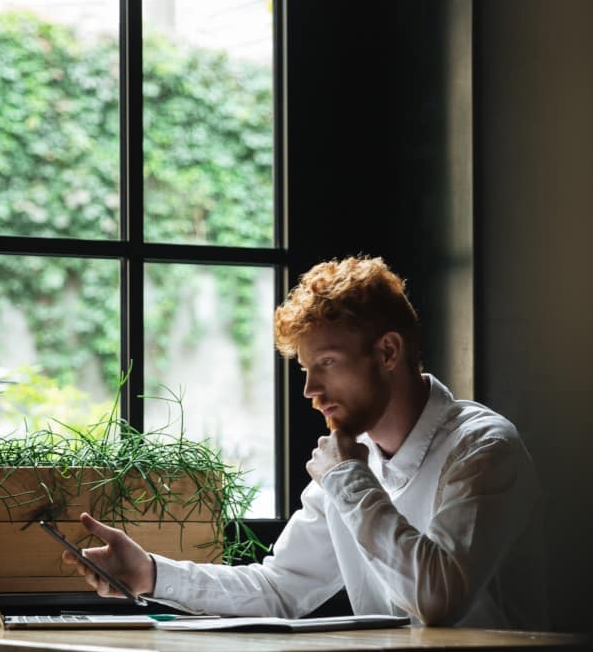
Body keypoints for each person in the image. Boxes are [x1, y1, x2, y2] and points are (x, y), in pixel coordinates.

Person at [62, 255, 548, 628]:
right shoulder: (349, 464)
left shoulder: (483, 448)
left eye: (328, 364)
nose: (310, 391)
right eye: (305, 370)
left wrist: (348, 480)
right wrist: (150, 573)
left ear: (388, 351)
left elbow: (439, 599)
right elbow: (278, 589)